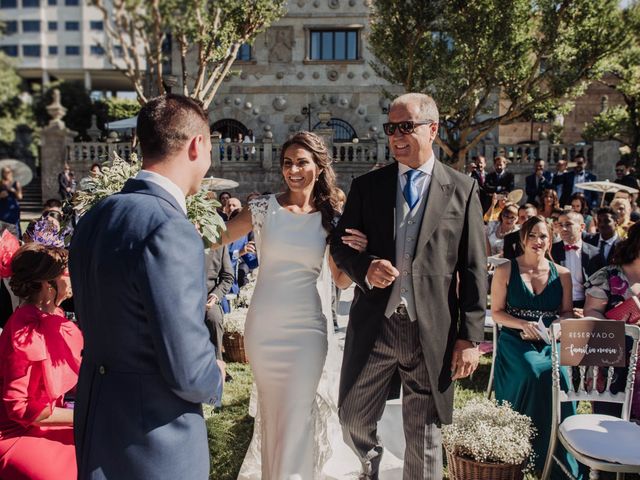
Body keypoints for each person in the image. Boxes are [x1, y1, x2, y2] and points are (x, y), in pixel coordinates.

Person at [330, 92, 486, 479]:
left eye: (406, 127)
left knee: (425, 437)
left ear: (432, 129)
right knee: (351, 415)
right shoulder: (368, 186)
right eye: (391, 128)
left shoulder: (462, 189)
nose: (396, 136)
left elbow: (474, 268)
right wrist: (366, 267)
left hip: (431, 330)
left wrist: (469, 338)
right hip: (376, 325)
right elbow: (340, 245)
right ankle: (371, 460)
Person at [69, 94, 223, 480]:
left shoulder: (96, 215)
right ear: (197, 145)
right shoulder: (169, 226)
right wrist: (215, 376)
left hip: (97, 420)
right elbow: (186, 365)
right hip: (155, 437)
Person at [218, 131, 369, 479]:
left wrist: (357, 253)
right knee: (274, 416)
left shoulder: (332, 217)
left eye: (302, 162)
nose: (294, 170)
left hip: (308, 330)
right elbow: (217, 238)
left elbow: (342, 281)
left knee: (299, 413)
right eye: (288, 163)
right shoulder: (261, 209)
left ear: (319, 166)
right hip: (265, 328)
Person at [491, 216, 580, 478]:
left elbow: (565, 313)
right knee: (531, 371)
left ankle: (557, 454)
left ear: (550, 240)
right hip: (514, 340)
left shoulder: (562, 274)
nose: (537, 241)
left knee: (562, 376)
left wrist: (555, 327)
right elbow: (496, 312)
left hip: (549, 341)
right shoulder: (505, 270)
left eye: (543, 236)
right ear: (522, 239)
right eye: (532, 235)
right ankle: (521, 450)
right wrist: (521, 324)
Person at [0, 243, 81, 480]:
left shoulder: (54, 316)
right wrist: (84, 414)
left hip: (43, 422)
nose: (74, 279)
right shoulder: (26, 329)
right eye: (67, 274)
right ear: (48, 284)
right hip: (15, 434)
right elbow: (20, 409)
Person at [584, 221, 640, 420]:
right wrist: (622, 327)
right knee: (609, 419)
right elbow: (590, 313)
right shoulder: (608, 275)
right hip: (613, 357)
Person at [551, 211, 602, 311]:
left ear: (582, 227)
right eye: (560, 225)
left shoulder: (595, 253)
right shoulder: (551, 251)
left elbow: (600, 286)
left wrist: (588, 309)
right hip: (557, 305)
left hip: (585, 305)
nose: (563, 229)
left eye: (568, 224)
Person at [0, 167, 22, 237]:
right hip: (2, 208)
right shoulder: (0, 183)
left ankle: (16, 240)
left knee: (15, 226)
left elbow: (20, 197)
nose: (6, 174)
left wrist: (14, 191)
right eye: (4, 172)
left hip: (13, 208)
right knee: (2, 227)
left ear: (11, 172)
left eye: (8, 172)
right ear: (2, 173)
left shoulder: (16, 183)